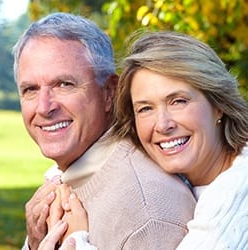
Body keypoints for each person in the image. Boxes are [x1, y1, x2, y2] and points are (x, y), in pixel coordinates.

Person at [13, 13, 196, 250]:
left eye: (64, 84)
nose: (44, 107)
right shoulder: (67, 182)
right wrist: (35, 243)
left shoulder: (147, 213)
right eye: (30, 89)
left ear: (109, 92)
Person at [113, 31, 248, 249]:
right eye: (146, 108)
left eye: (178, 101)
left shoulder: (236, 190)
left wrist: (77, 239)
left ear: (218, 105)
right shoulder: (195, 175)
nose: (163, 124)